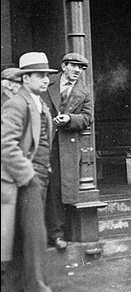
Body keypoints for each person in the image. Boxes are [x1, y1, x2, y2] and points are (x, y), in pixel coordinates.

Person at [1, 52, 62, 292]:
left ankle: (13, 288)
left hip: (35, 174)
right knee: (36, 234)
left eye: (47, 76)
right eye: (39, 76)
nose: (45, 80)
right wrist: (28, 177)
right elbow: (5, 144)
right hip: (23, 178)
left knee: (20, 234)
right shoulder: (18, 103)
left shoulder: (37, 102)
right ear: (25, 78)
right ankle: (39, 290)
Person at [43, 53, 93, 251]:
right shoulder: (48, 82)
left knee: (59, 189)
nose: (77, 71)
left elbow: (88, 118)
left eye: (81, 68)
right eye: (74, 67)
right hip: (42, 140)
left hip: (65, 145)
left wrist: (70, 119)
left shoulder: (84, 91)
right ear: (64, 66)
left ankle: (57, 234)